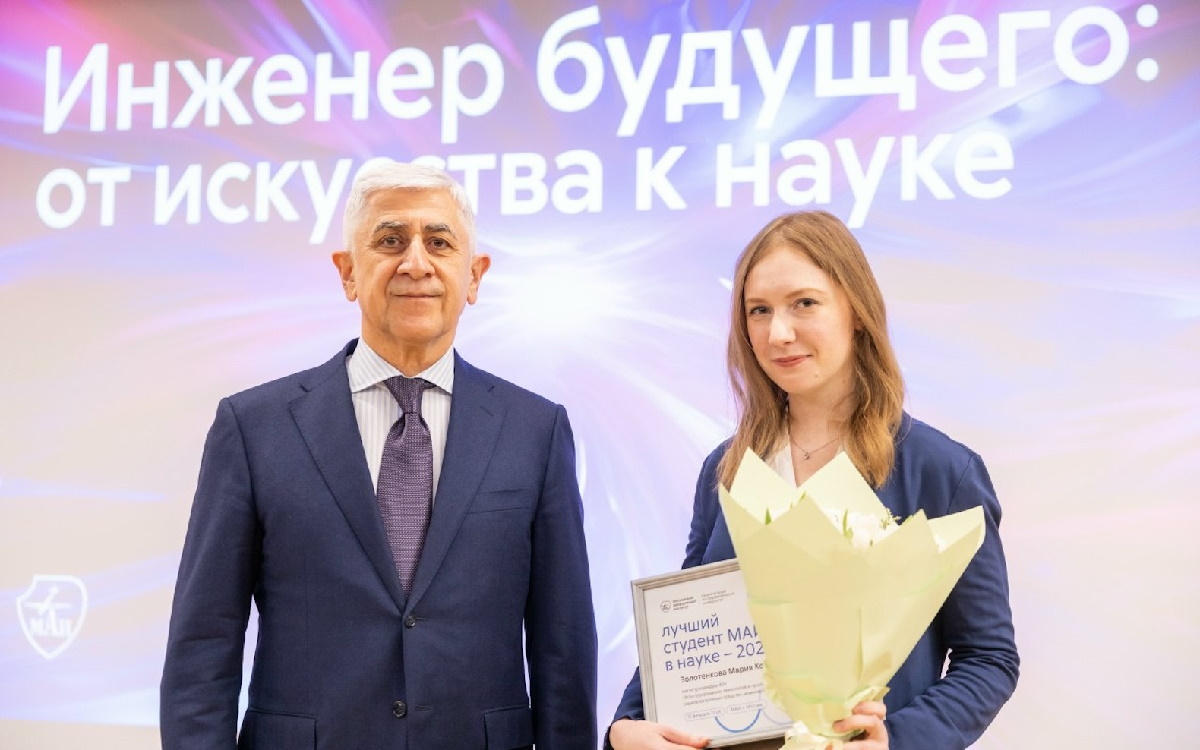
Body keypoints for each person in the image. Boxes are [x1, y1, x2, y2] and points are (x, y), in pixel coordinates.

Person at [160, 160, 598, 749]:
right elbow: (203, 645)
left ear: (474, 276)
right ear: (347, 272)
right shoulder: (253, 428)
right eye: (390, 241)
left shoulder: (536, 430)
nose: (415, 263)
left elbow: (563, 646)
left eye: (439, 243)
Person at [607, 211, 1019, 750]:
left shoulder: (940, 469)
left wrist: (897, 739)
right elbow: (688, 626)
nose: (778, 333)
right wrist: (625, 725)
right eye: (759, 310)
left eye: (804, 303)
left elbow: (988, 658)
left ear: (856, 310)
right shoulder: (726, 468)